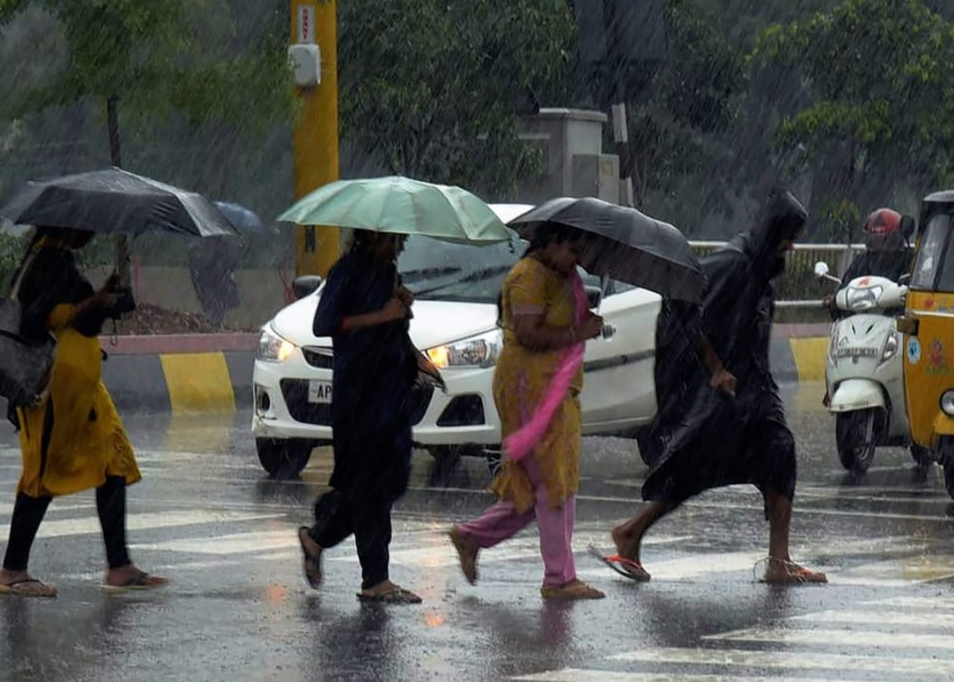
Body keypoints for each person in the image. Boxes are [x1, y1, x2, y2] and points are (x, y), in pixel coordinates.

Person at [598, 190, 828, 585]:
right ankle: (631, 531)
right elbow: (688, 307)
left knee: (777, 454)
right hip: (728, 392)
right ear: (774, 230)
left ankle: (778, 560)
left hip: (753, 390)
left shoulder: (761, 268)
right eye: (789, 236)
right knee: (699, 467)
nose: (792, 246)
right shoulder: (734, 263)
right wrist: (716, 368)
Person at [0, 227, 164, 597]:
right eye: (83, 226)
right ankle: (12, 570)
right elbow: (35, 320)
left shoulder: (61, 260)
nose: (89, 232)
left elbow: (78, 318)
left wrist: (106, 302)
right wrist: (93, 304)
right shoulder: (45, 261)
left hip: (83, 389)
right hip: (55, 389)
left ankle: (119, 565)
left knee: (112, 462)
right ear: (64, 225)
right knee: (42, 475)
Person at [447, 224, 607, 601]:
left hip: (556, 387)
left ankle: (472, 536)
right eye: (572, 250)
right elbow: (529, 333)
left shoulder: (559, 275)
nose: (576, 260)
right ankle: (558, 578)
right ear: (551, 243)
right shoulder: (527, 276)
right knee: (551, 482)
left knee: (551, 482)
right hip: (529, 388)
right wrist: (577, 333)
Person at [298, 229, 434, 604]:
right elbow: (324, 324)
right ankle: (373, 576)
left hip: (391, 397)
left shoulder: (388, 274)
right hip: (359, 397)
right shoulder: (346, 271)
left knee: (386, 484)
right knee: (367, 487)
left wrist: (402, 313)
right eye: (392, 241)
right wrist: (380, 314)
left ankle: (323, 534)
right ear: (372, 237)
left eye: (400, 242)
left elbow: (391, 331)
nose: (397, 248)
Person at [823, 208, 914, 307]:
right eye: (875, 239)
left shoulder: (910, 260)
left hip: (895, 315)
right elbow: (846, 285)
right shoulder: (862, 261)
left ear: (896, 238)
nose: (880, 247)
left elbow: (916, 292)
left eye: (885, 240)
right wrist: (835, 300)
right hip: (860, 313)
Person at [189, 235, 243, 326]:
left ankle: (217, 324)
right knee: (214, 310)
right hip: (211, 284)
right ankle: (216, 324)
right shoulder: (202, 246)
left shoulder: (216, 246)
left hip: (217, 285)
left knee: (217, 311)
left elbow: (230, 264)